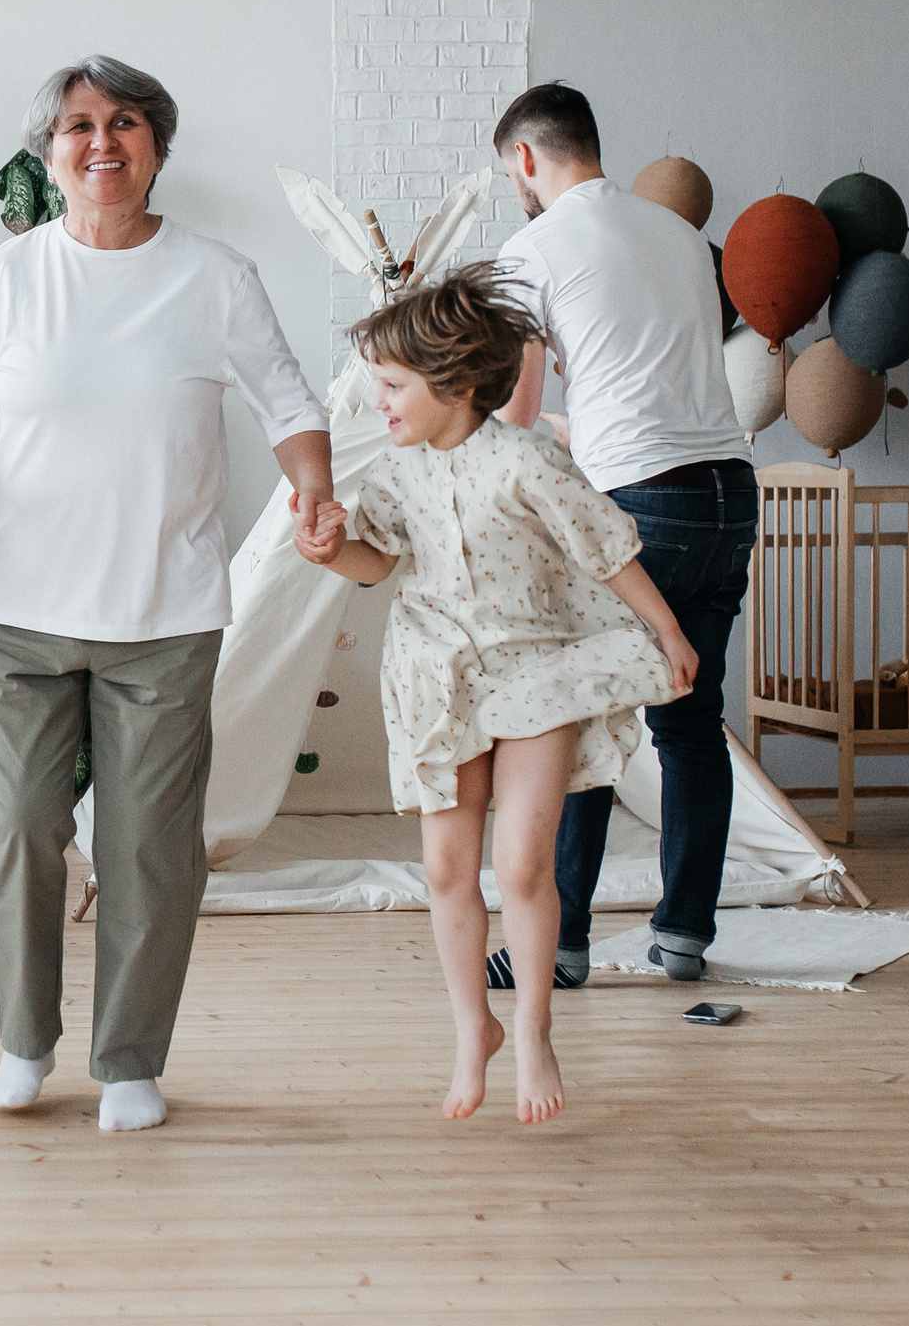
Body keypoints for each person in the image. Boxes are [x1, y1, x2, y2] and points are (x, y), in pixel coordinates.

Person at [0, 55, 333, 1134]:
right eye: (78, 125)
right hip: (20, 612)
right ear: (47, 155)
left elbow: (290, 406)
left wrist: (316, 494)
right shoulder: (5, 279)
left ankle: (130, 1060)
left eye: (125, 122)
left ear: (157, 145)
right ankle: (21, 1043)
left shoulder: (215, 275)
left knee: (147, 845)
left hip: (164, 614)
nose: (102, 141)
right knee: (16, 830)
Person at [295, 264, 695, 1123]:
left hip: (536, 675)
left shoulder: (523, 460)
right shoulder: (393, 476)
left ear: (457, 385)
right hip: (440, 682)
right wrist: (331, 549)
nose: (382, 403)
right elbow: (379, 563)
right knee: (447, 867)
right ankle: (472, 1026)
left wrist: (665, 628)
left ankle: (536, 1031)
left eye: (395, 385)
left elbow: (606, 546)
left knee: (520, 863)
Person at [485, 83, 757, 988]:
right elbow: (646, 372)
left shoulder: (531, 248)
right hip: (728, 491)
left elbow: (518, 414)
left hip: (640, 505)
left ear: (526, 157)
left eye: (509, 171)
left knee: (576, 722)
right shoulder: (682, 236)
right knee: (690, 722)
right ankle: (683, 935)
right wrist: (583, 423)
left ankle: (557, 947)